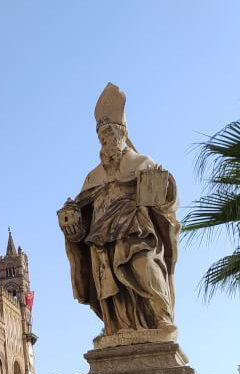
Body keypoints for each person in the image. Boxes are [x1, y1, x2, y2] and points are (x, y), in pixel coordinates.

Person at [57, 82, 179, 336]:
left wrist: (162, 187)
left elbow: (165, 202)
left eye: (109, 135)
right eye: (101, 137)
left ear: (122, 135)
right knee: (110, 287)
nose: (105, 141)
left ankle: (162, 318)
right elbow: (82, 219)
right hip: (102, 241)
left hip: (136, 233)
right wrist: (71, 224)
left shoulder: (142, 163)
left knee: (145, 267)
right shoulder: (93, 177)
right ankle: (118, 328)